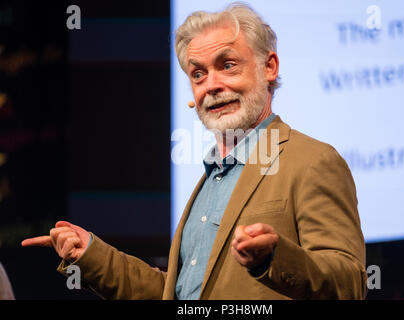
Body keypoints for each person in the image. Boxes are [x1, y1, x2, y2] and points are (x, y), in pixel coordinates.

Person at [22, 3, 367, 299]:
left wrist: (274, 259)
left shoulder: (311, 160)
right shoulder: (208, 181)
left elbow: (349, 283)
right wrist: (92, 255)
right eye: (198, 74)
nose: (212, 85)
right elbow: (179, 293)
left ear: (269, 67)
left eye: (228, 65)